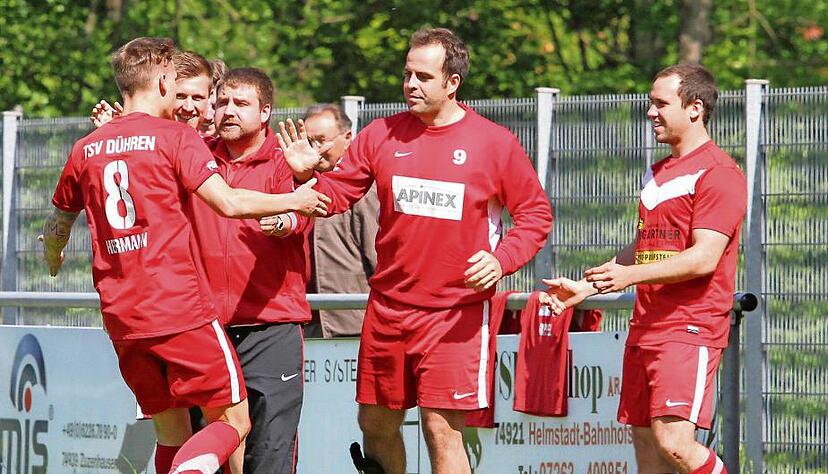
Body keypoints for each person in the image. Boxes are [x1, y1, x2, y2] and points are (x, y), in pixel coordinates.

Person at [40, 37, 329, 474]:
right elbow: (229, 203)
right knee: (235, 420)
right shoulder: (175, 138)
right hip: (180, 310)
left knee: (171, 431)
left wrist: (54, 256)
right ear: (160, 82)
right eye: (176, 86)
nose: (182, 98)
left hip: (122, 318)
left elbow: (57, 224)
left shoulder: (87, 148)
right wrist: (295, 200)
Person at [277, 28, 552, 474]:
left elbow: (536, 216)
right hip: (387, 310)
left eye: (423, 76)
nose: (410, 84)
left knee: (441, 429)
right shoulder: (380, 135)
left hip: (454, 313)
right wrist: (301, 178)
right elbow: (334, 196)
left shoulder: (494, 142)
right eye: (407, 74)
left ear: (452, 83)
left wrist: (501, 260)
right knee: (374, 422)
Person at [542, 64, 746, 474]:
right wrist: (586, 287)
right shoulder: (658, 174)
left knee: (675, 445)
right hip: (646, 326)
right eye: (649, 103)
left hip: (688, 328)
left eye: (660, 104)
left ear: (695, 108)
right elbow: (646, 247)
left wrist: (629, 278)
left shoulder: (719, 172)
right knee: (647, 449)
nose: (650, 112)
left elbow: (704, 257)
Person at [187, 67, 312, 474]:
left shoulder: (284, 160)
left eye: (241, 104)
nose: (227, 111)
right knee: (205, 448)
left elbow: (303, 213)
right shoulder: (195, 155)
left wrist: (288, 211)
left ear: (265, 112)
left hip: (271, 327)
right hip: (206, 328)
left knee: (270, 451)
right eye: (221, 102)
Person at [303, 103, 378, 338]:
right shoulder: (298, 188)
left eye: (322, 140)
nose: (315, 149)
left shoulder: (364, 191)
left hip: (353, 325)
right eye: (308, 141)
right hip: (308, 325)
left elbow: (380, 257)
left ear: (347, 138)